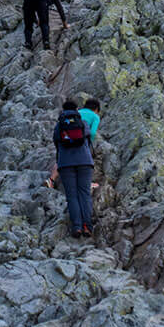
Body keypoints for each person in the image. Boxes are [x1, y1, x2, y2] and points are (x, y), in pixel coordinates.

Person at [48, 100, 94, 238]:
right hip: (84, 162)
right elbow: (88, 139)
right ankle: (87, 226)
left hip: (66, 164)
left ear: (63, 110)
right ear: (77, 109)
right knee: (84, 194)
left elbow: (56, 142)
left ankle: (77, 227)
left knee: (72, 196)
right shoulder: (83, 123)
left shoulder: (59, 125)